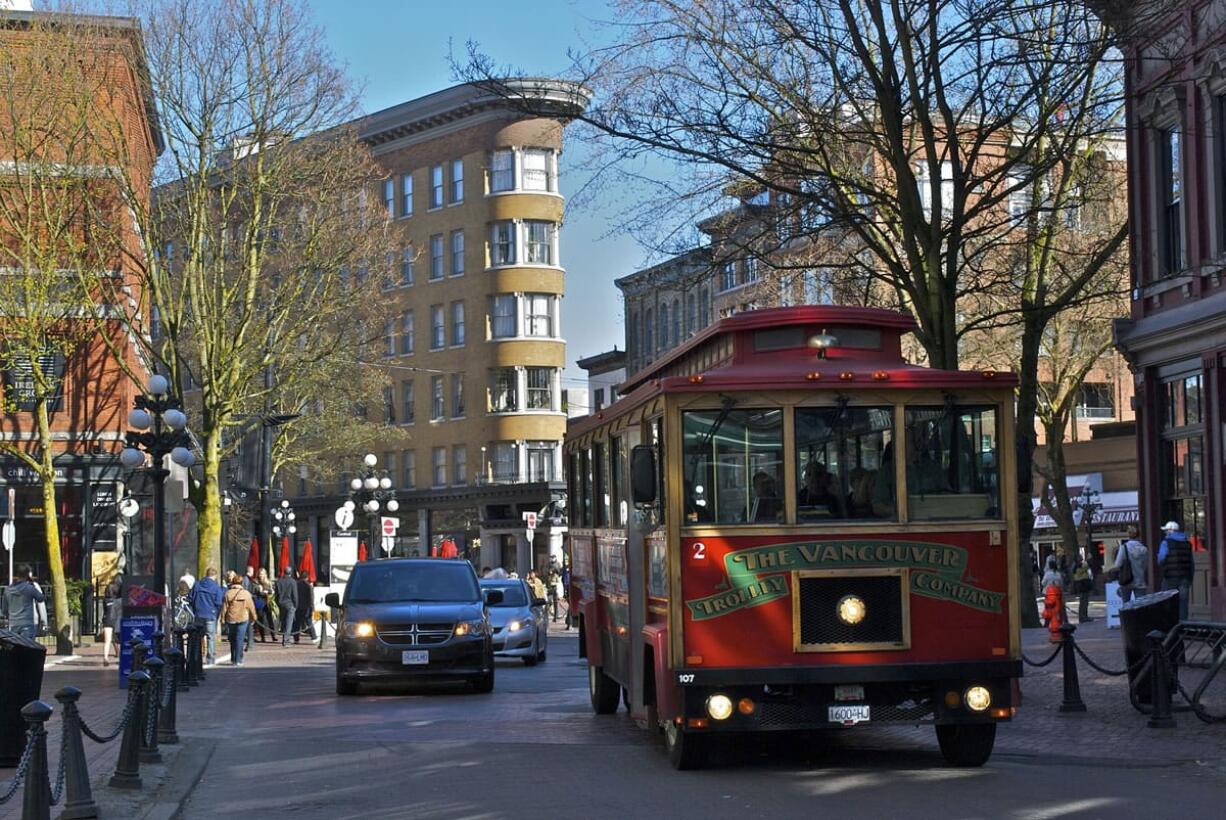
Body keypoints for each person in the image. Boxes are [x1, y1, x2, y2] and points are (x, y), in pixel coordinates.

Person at [1158, 520, 1194, 621]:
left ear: (1171, 531)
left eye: (1166, 530)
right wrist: (1190, 577)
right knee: (1183, 603)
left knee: (1167, 601)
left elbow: (1161, 559)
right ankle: (1183, 625)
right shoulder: (1187, 543)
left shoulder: (1166, 543)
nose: (1165, 532)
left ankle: (1170, 625)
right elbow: (1192, 563)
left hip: (1170, 578)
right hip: (1184, 577)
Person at [188, 567, 225, 666]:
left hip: (198, 614)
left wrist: (195, 609)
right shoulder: (216, 587)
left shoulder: (197, 584)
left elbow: (190, 598)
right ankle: (210, 658)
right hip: (210, 615)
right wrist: (216, 614)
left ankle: (196, 658)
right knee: (210, 637)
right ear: (215, 576)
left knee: (197, 637)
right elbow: (218, 602)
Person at [221, 573, 257, 666]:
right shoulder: (246, 593)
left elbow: (224, 608)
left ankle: (233, 658)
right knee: (240, 639)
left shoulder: (228, 593)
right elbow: (251, 607)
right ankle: (238, 660)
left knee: (232, 639)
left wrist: (222, 619)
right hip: (243, 618)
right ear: (242, 583)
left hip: (231, 618)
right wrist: (254, 618)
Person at [2, 565, 45, 641]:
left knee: (16, 646)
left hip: (14, 623)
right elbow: (41, 598)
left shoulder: (7, 590)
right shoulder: (29, 588)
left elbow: (4, 610)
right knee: (28, 647)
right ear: (28, 575)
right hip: (27, 623)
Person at [1114, 527, 1149, 603]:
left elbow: (1117, 564)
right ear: (1139, 536)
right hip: (1140, 581)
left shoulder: (1124, 547)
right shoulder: (1144, 549)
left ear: (1129, 536)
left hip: (1126, 580)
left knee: (1126, 605)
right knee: (1140, 605)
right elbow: (1145, 565)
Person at [101, 578, 123, 666]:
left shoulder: (105, 601)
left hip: (107, 620)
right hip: (116, 620)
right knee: (118, 639)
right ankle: (119, 655)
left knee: (108, 640)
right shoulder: (119, 601)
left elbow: (105, 612)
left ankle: (106, 657)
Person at [275, 567, 298, 647]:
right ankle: (286, 640)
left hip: (281, 603)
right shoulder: (293, 582)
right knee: (289, 622)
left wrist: (278, 603)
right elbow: (295, 595)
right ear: (290, 573)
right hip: (290, 604)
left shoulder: (278, 581)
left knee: (284, 622)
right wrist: (295, 605)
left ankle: (285, 638)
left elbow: (276, 594)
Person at [252, 568, 276, 642]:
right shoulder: (255, 582)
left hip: (268, 602)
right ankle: (263, 637)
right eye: (260, 573)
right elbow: (255, 591)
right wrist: (261, 592)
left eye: (262, 573)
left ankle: (273, 635)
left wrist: (267, 591)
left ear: (265, 574)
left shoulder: (268, 582)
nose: (261, 575)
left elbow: (272, 590)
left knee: (270, 619)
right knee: (261, 619)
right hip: (260, 602)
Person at [294, 570, 313, 644]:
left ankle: (296, 638)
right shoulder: (308, 586)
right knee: (309, 622)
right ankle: (313, 637)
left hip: (298, 606)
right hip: (306, 607)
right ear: (307, 577)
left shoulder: (296, 584)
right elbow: (311, 598)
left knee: (297, 623)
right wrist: (311, 608)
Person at [1072, 557, 1094, 623]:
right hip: (1082, 585)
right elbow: (1086, 567)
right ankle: (1083, 617)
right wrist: (1088, 561)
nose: (1081, 560)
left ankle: (1084, 616)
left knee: (1085, 602)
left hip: (1083, 585)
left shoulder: (1079, 566)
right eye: (1080, 558)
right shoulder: (1077, 567)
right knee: (1083, 602)